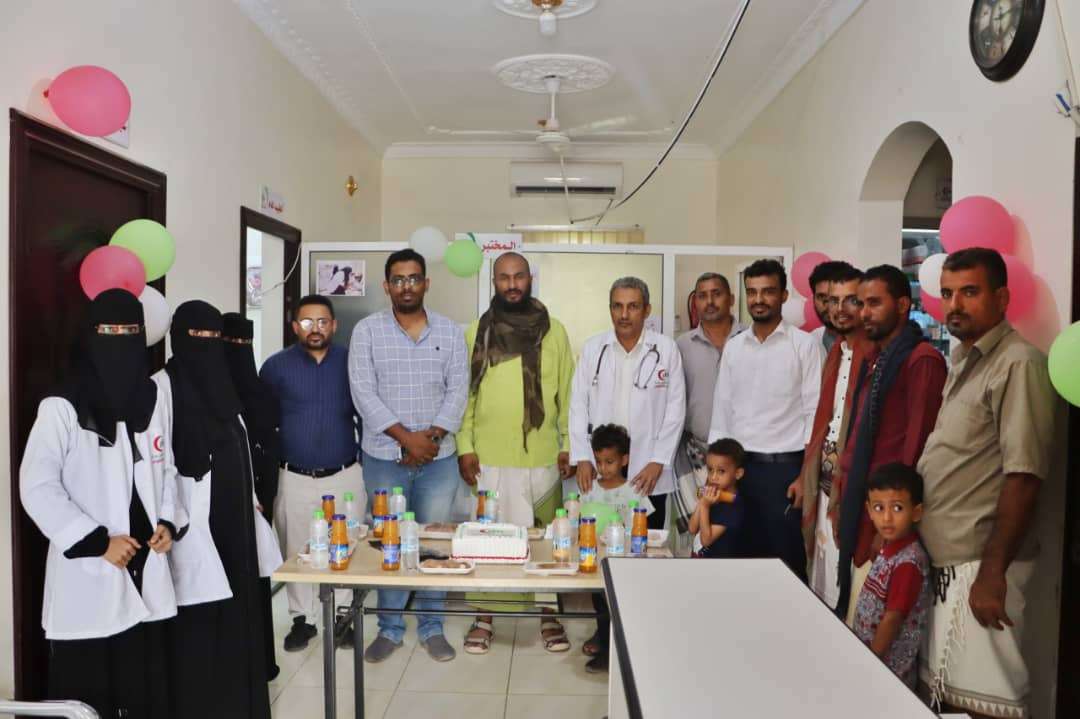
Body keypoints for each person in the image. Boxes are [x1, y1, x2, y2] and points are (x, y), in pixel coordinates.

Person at [19, 289, 179, 718]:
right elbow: (37, 486)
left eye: (130, 331)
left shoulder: (152, 399)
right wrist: (97, 543)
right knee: (88, 699)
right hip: (93, 569)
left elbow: (167, 468)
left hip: (146, 565)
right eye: (110, 330)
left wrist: (168, 522)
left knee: (145, 695)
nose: (120, 340)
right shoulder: (61, 406)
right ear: (91, 335)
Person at [916, 248, 1056, 719]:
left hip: (981, 567)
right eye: (948, 293)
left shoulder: (1018, 363)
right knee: (948, 700)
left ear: (1001, 298)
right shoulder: (964, 359)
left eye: (969, 292)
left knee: (987, 703)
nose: (955, 305)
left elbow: (1024, 475)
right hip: (949, 563)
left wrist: (993, 573)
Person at [155, 300, 281, 719]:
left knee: (237, 613)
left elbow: (241, 446)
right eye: (197, 336)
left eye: (214, 336)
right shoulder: (161, 388)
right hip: (191, 523)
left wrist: (251, 497)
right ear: (177, 337)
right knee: (199, 621)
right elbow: (157, 462)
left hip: (235, 519)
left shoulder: (223, 384)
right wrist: (170, 516)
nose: (206, 344)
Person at [349, 249, 468, 664]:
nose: (406, 286)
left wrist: (429, 439)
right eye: (398, 280)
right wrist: (406, 440)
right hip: (384, 457)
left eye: (414, 278)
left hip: (439, 459)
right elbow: (363, 393)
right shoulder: (367, 331)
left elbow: (458, 390)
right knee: (391, 541)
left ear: (426, 283)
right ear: (387, 286)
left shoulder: (450, 332)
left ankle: (432, 627)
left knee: (434, 542)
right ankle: (390, 628)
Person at [457, 252, 576, 655]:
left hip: (542, 455)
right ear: (494, 282)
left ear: (530, 279)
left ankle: (548, 614)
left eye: (519, 276)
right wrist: (465, 446)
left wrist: (568, 444)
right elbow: (466, 396)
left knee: (545, 539)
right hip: (489, 456)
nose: (512, 284)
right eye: (504, 277)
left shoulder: (554, 331)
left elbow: (567, 395)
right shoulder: (477, 331)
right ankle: (485, 616)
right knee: (490, 538)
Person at [831, 265, 947, 620]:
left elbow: (917, 448)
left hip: (887, 520)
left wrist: (892, 527)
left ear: (902, 305)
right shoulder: (877, 359)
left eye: (874, 303)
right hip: (865, 505)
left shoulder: (921, 360)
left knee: (874, 627)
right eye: (861, 303)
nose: (864, 313)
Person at [260, 295, 364, 652]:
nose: (315, 328)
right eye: (307, 322)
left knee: (346, 545)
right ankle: (302, 620)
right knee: (296, 549)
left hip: (345, 473)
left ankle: (343, 619)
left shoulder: (352, 362)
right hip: (294, 476)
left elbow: (367, 414)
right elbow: (263, 423)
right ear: (295, 327)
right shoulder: (275, 367)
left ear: (334, 325)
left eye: (322, 321)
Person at [709, 259, 823, 580]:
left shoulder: (804, 346)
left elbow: (815, 413)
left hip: (784, 473)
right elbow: (722, 411)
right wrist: (716, 474)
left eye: (768, 291)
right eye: (752, 292)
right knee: (736, 562)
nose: (759, 299)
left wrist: (805, 476)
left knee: (785, 564)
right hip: (738, 471)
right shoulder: (734, 348)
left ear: (784, 295)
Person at [569, 277, 685, 532]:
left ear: (647, 310)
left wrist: (659, 460)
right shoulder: (593, 349)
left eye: (633, 306)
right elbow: (578, 405)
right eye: (617, 306)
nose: (624, 314)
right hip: (602, 469)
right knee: (595, 538)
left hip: (648, 470)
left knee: (645, 542)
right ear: (610, 309)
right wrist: (583, 457)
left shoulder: (666, 350)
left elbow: (675, 411)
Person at [790, 263, 867, 609]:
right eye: (833, 301)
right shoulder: (837, 353)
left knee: (847, 595)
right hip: (822, 485)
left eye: (851, 300)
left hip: (850, 491)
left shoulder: (874, 358)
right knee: (820, 583)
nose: (839, 309)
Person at [222, 313, 281, 679]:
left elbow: (270, 444)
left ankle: (259, 661)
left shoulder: (259, 389)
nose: (238, 351)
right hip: (234, 497)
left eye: (244, 344)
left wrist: (261, 494)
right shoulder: (218, 391)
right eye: (232, 344)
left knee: (255, 575)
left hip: (259, 496)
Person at [673, 272, 746, 552]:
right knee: (695, 536)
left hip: (740, 455)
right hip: (694, 454)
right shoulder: (681, 346)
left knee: (735, 535)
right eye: (702, 296)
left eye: (716, 294)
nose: (709, 301)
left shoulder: (749, 339)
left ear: (731, 298)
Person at [578, 423, 654, 674]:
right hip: (594, 561)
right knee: (601, 607)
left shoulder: (634, 490)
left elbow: (642, 527)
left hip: (624, 563)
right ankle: (605, 650)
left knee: (622, 607)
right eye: (599, 462)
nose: (603, 468)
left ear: (624, 460)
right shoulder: (590, 490)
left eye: (609, 462)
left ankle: (624, 654)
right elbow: (580, 521)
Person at [852, 462, 931, 689]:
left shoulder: (908, 562)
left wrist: (870, 661)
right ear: (869, 510)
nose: (886, 518)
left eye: (897, 508)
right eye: (879, 508)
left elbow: (892, 619)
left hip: (888, 676)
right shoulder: (890, 548)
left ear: (916, 512)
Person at [689, 438, 747, 560]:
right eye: (710, 470)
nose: (713, 477)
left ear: (738, 473)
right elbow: (692, 529)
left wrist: (705, 506)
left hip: (719, 566)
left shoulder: (734, 506)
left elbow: (706, 540)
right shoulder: (713, 495)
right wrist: (702, 501)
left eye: (721, 471)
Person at [809, 260, 845, 352]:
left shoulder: (873, 342)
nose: (829, 304)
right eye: (821, 297)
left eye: (834, 297)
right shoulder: (810, 341)